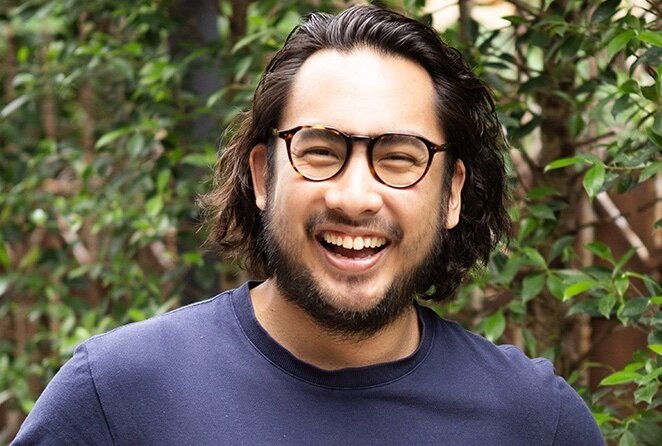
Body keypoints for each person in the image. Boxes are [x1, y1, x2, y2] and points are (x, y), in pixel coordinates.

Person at [12, 5, 605, 445]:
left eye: (399, 157)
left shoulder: (534, 422)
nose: (355, 197)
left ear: (450, 194)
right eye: (320, 151)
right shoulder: (117, 398)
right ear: (263, 176)